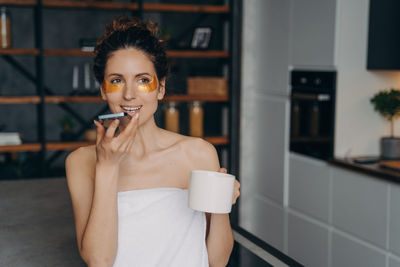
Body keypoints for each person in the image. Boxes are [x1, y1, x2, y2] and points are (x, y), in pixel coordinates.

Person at [65, 16, 240, 267]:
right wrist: (107, 167)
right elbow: (99, 260)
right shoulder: (81, 162)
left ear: (160, 88)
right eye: (116, 80)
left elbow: (217, 260)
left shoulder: (198, 153)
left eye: (143, 80)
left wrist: (222, 205)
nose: (128, 94)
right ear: (103, 90)